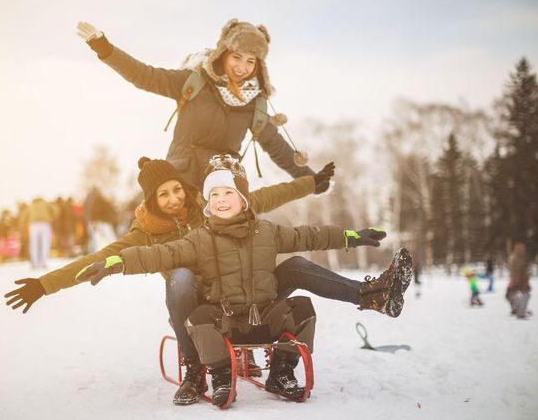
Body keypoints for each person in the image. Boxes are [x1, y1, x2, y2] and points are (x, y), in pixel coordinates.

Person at [74, 157, 413, 406]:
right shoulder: (199, 239)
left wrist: (351, 237)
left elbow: (309, 235)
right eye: (214, 196)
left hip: (265, 314)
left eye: (228, 193)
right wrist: (116, 262)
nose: (220, 201)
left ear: (243, 198)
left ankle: (365, 301)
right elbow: (157, 255)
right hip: (225, 323)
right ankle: (218, 372)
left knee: (300, 289)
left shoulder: (267, 231)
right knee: (199, 316)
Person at [5, 155, 335, 404]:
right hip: (194, 304)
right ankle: (194, 367)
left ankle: (259, 342)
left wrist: (311, 183)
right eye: (163, 195)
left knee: (275, 263)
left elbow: (268, 196)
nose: (175, 199)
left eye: (177, 189)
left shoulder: (213, 204)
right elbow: (97, 259)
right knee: (180, 276)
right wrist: (44, 285)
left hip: (238, 296)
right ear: (152, 202)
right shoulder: (144, 233)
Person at [76, 19, 323, 191]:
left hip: (222, 186)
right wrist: (105, 49)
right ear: (224, 53)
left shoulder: (255, 102)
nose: (242, 67)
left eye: (251, 61)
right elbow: (144, 75)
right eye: (237, 57)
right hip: (181, 181)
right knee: (183, 256)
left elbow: (275, 145)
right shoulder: (195, 82)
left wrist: (311, 179)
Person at [20, 197, 57, 269]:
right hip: (44, 224)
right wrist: (51, 217)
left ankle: (35, 263)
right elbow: (56, 209)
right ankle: (44, 263)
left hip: (33, 225)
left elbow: (23, 216)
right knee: (45, 243)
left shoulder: (31, 205)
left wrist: (23, 224)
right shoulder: (46, 204)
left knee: (34, 244)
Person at [506, 242, 531, 319]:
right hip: (520, 281)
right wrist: (515, 281)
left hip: (519, 280)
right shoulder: (517, 259)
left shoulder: (516, 258)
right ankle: (520, 311)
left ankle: (517, 309)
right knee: (525, 295)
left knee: (516, 295)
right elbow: (516, 272)